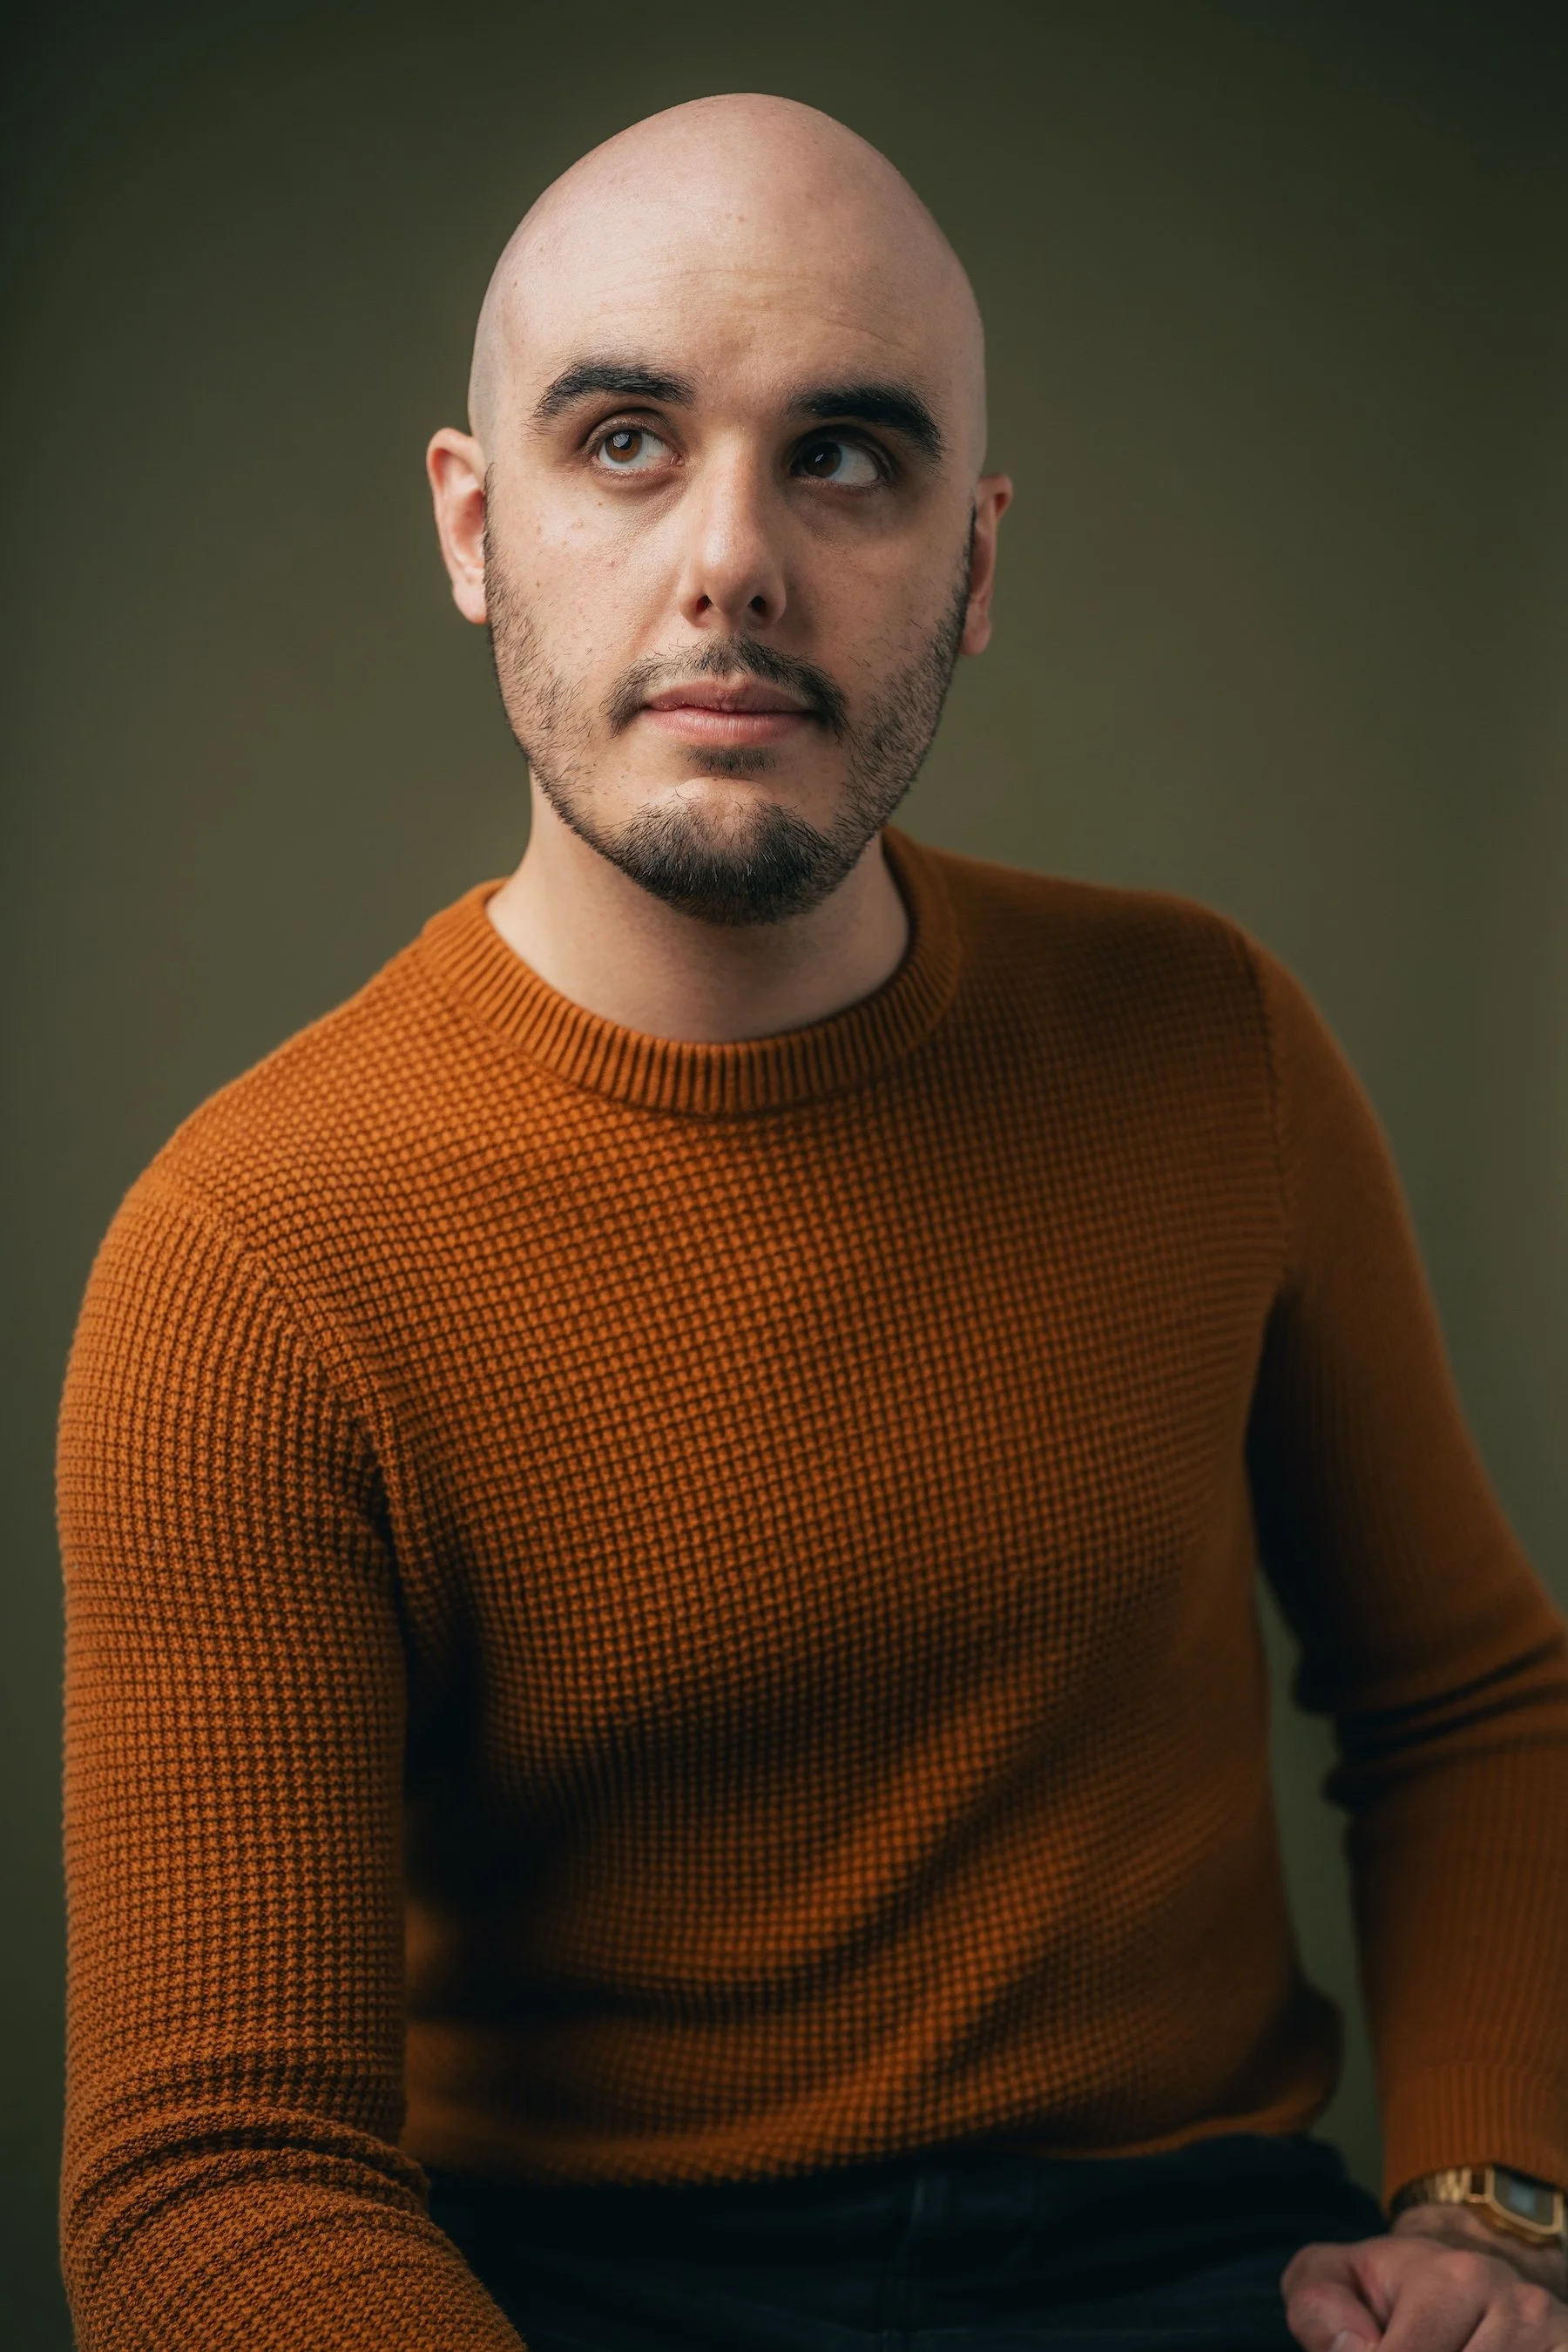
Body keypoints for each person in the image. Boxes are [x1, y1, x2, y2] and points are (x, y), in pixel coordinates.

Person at [57, 92, 1568, 2352]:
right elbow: (212, 2175)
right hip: (555, 2301)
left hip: (1197, 2266)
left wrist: (1496, 2213)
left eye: (845, 456)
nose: (733, 563)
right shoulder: (249, 1259)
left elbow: (1469, 1700)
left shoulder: (1209, 1042)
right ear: (474, 525)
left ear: (975, 560)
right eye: (626, 441)